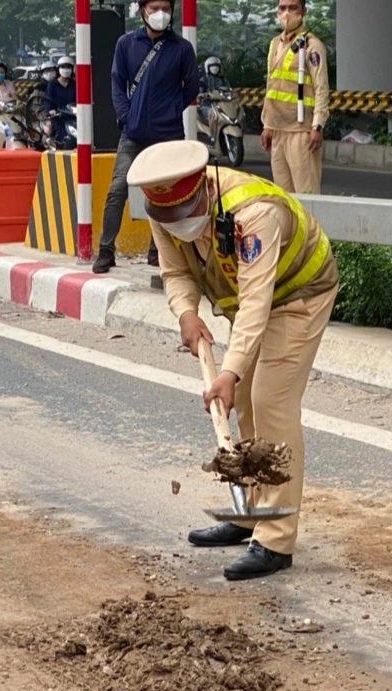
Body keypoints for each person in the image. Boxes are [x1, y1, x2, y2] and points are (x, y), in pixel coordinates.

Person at [127, 140, 338, 581]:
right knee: (241, 398)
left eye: (186, 215)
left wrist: (227, 370)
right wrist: (186, 313)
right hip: (250, 303)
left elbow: (258, 305)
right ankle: (247, 515)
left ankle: (276, 538)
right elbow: (176, 271)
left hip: (299, 293)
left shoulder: (254, 213)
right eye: (169, 219)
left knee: (270, 400)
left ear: (203, 188)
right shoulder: (164, 209)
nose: (178, 225)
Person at [95, 0, 200, 274]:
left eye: (165, 7)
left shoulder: (182, 49)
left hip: (169, 135)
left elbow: (192, 85)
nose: (160, 14)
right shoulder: (126, 44)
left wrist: (173, 108)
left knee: (167, 194)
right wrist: (126, 114)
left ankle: (158, 251)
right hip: (133, 133)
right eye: (154, 8)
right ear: (143, 11)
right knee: (118, 189)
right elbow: (117, 82)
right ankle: (106, 250)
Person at [261, 0, 330, 195]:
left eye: (293, 7)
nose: (287, 13)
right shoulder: (275, 44)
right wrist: (267, 125)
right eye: (282, 8)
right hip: (277, 130)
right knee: (284, 198)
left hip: (302, 132)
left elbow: (321, 88)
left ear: (303, 11)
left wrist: (317, 126)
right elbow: (271, 87)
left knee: (306, 196)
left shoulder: (312, 46)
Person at [45, 57, 77, 143]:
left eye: (68, 67)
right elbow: (48, 100)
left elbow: (77, 99)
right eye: (63, 67)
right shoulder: (52, 84)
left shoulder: (74, 84)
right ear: (58, 69)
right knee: (60, 135)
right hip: (58, 117)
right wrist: (51, 110)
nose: (66, 69)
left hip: (72, 117)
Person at [198, 56, 231, 124]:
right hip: (207, 105)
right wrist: (203, 95)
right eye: (212, 66)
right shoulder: (204, 80)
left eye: (217, 66)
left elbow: (229, 91)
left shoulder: (224, 80)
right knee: (213, 115)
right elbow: (199, 93)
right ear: (208, 67)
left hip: (222, 105)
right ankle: (212, 132)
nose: (215, 68)